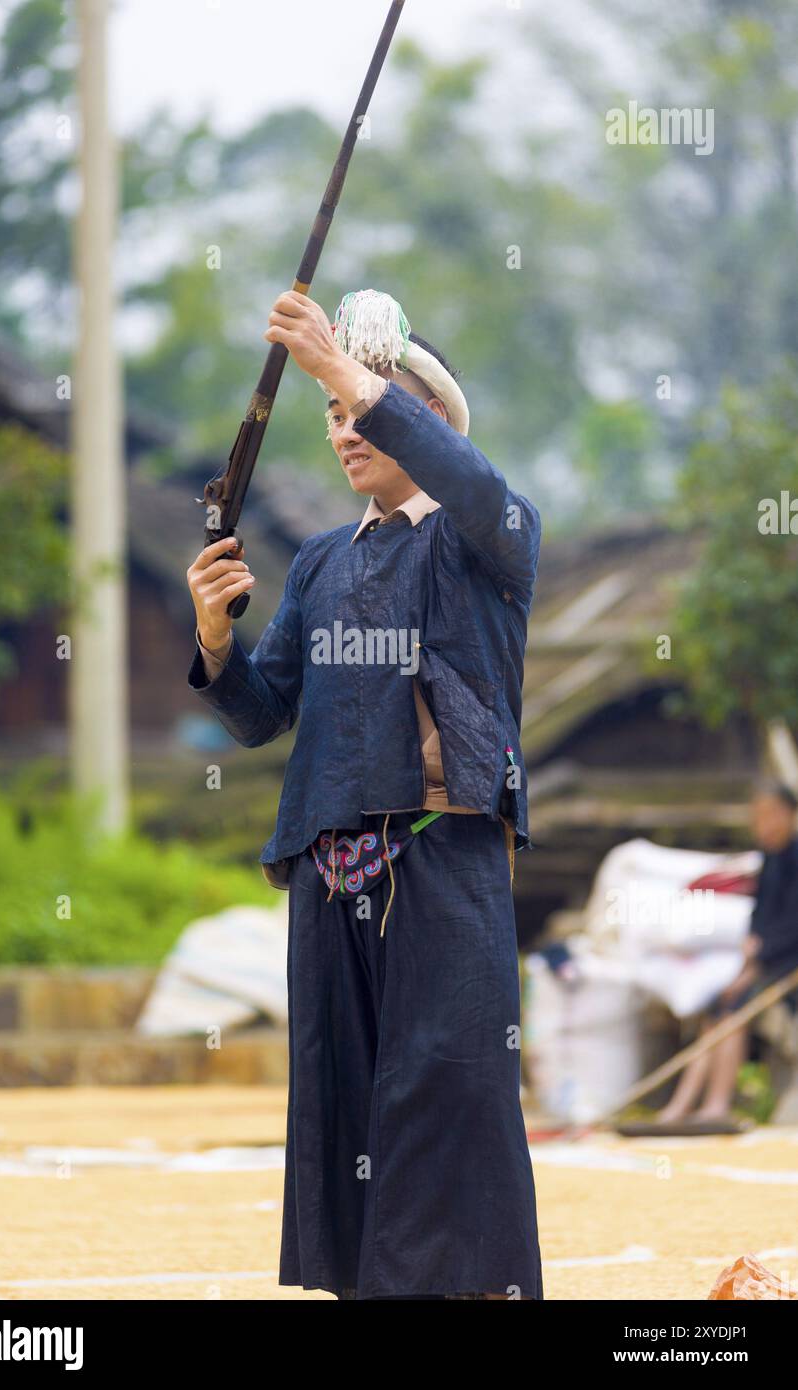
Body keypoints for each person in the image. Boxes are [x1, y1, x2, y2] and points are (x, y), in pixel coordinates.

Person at [186, 287, 544, 1300]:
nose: (344, 429)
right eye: (332, 415)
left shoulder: (490, 532)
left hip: (443, 853)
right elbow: (262, 714)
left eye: (363, 409)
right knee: (341, 1103)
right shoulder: (318, 563)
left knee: (447, 1088)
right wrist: (214, 636)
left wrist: (334, 361)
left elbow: (470, 480)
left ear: (428, 422)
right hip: (327, 868)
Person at [659, 782, 798, 1125]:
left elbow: (792, 924)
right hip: (765, 961)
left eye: (770, 815)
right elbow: (760, 914)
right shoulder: (770, 858)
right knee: (717, 1013)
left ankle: (717, 1105)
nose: (763, 824)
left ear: (789, 815)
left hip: (788, 965)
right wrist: (751, 951)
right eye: (758, 816)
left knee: (734, 1015)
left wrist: (759, 957)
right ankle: (680, 1106)